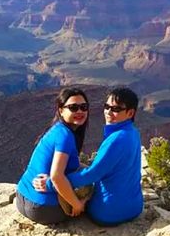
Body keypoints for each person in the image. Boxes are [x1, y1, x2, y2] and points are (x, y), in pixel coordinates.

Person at [34, 87, 143, 226]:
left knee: (76, 194)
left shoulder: (117, 139)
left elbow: (92, 174)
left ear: (130, 113)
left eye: (116, 109)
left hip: (108, 213)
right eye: (107, 106)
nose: (109, 112)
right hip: (135, 207)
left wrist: (51, 184)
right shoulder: (133, 132)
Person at [15, 87, 91, 224]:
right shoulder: (65, 136)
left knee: (86, 174)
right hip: (44, 209)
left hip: (22, 198)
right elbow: (57, 176)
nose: (80, 111)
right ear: (61, 110)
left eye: (83, 107)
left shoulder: (57, 129)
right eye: (73, 107)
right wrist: (78, 204)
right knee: (94, 190)